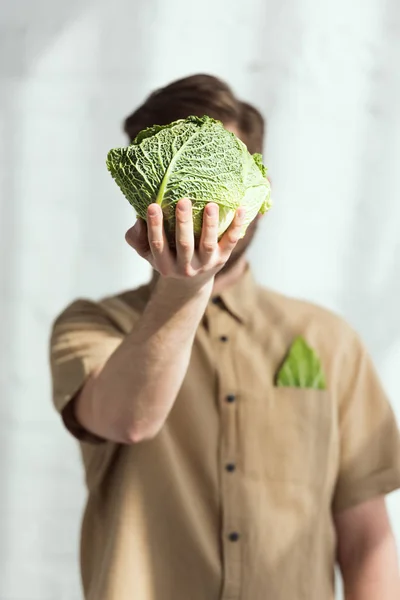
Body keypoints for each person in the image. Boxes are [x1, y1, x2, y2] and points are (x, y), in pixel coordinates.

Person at [50, 74, 400, 600]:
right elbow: (129, 420)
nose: (203, 208)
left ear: (261, 188)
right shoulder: (91, 326)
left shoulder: (331, 340)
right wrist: (184, 289)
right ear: (144, 195)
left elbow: (366, 538)